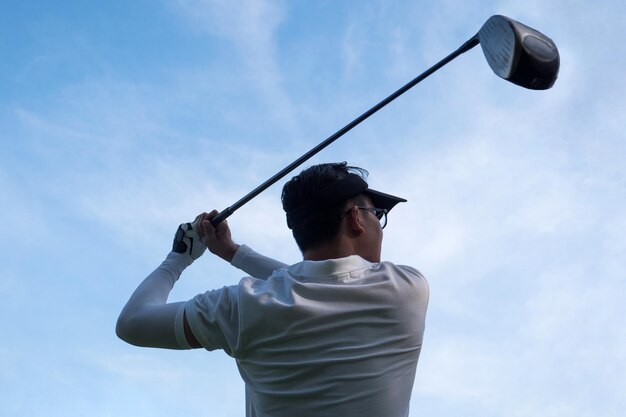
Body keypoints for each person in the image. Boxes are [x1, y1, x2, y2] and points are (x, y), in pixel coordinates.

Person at [116, 162, 429, 417]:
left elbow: (132, 324)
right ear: (356, 220)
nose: (380, 226)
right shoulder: (408, 288)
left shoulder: (242, 307)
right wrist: (233, 252)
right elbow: (315, 282)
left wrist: (177, 260)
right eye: (378, 215)